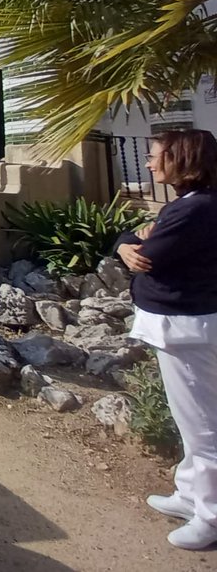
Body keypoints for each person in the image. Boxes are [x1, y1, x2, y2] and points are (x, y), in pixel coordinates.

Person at [115, 130, 217, 550]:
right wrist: (126, 243)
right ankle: (189, 494)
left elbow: (148, 256)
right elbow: (135, 244)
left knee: (204, 428)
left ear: (182, 159)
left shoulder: (194, 210)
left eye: (155, 156)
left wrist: (128, 244)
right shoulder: (190, 207)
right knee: (190, 419)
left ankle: (210, 517)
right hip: (181, 328)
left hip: (187, 330)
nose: (148, 164)